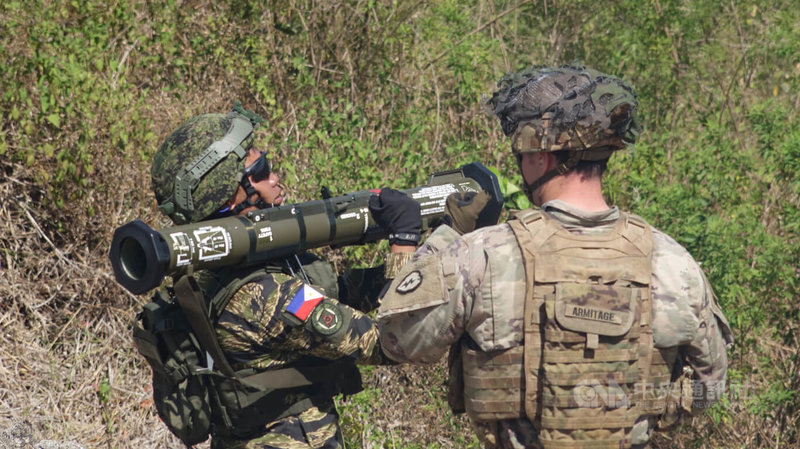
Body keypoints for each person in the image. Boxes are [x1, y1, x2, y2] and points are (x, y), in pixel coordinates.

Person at [371, 65, 733, 449]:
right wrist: (644, 420)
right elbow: (710, 384)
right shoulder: (673, 262)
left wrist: (417, 241)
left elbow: (397, 339)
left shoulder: (482, 256)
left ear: (539, 156)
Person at [147, 103, 397, 449]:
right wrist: (406, 245)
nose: (275, 178)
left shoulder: (208, 271)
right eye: (261, 171)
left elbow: (336, 290)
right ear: (229, 195)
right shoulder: (266, 295)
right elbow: (387, 342)